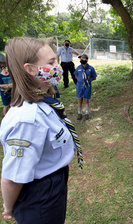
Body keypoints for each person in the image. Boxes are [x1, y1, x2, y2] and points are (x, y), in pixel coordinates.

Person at [0, 37, 83, 223]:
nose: (58, 67)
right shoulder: (27, 120)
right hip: (40, 195)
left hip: (54, 184)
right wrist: (8, 207)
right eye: (52, 63)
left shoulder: (44, 100)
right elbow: (12, 178)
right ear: (30, 69)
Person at [74, 54, 97, 121]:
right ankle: (79, 114)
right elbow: (76, 76)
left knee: (86, 100)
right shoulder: (78, 68)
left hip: (87, 86)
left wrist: (88, 81)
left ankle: (87, 114)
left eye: (83, 58)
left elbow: (94, 77)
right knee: (79, 100)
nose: (81, 60)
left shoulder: (91, 68)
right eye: (80, 59)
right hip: (79, 86)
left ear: (87, 60)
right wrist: (80, 81)